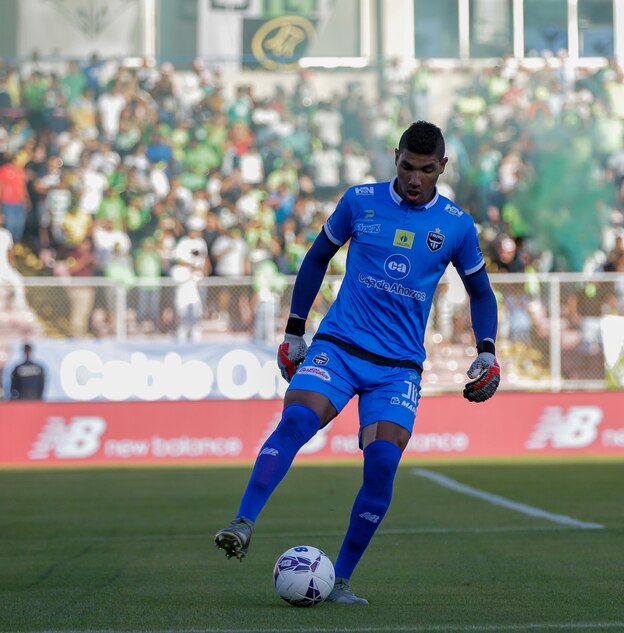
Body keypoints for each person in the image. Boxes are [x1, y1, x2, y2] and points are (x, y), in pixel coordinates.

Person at [213, 121, 501, 604]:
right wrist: (294, 331)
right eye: (407, 167)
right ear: (395, 157)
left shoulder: (456, 225)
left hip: (398, 368)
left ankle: (340, 579)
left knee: (383, 463)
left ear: (443, 167)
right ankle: (242, 521)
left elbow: (481, 292)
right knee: (296, 421)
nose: (415, 179)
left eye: (426, 170)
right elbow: (316, 259)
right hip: (339, 347)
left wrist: (487, 349)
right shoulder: (360, 201)